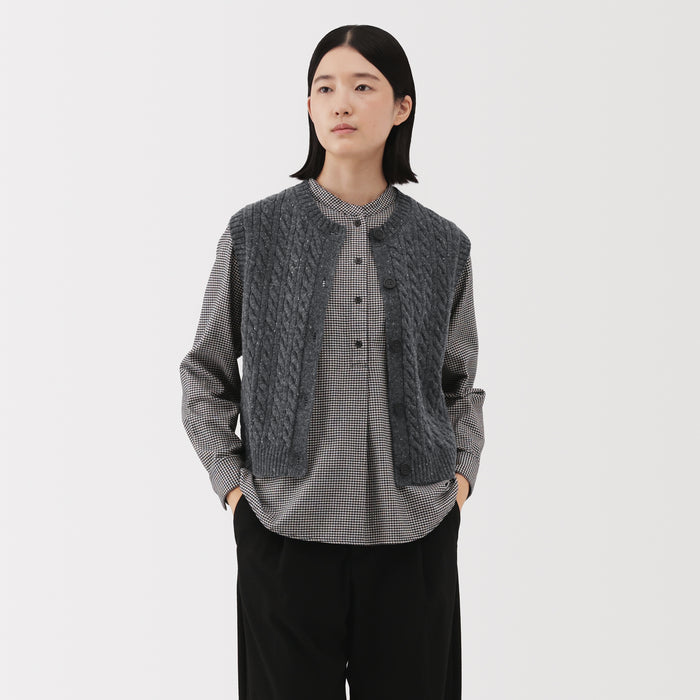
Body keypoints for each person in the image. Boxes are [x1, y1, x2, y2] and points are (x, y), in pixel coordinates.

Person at [179, 24, 486, 700]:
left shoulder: (443, 245)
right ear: (310, 108)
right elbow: (204, 373)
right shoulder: (255, 233)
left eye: (362, 85)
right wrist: (234, 490)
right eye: (324, 88)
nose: (340, 102)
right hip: (285, 535)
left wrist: (460, 481)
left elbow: (460, 385)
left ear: (402, 106)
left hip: (416, 539)